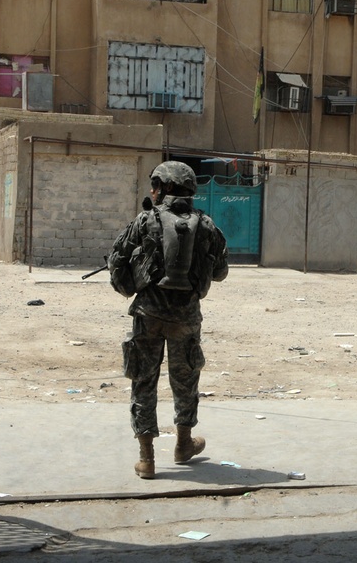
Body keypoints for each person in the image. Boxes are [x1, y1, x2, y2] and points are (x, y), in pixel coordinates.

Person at [107, 161, 229, 479]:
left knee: (143, 382)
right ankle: (184, 445)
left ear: (165, 188)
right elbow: (220, 272)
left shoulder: (145, 220)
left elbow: (118, 260)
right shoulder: (206, 225)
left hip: (148, 315)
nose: (152, 190)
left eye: (155, 185)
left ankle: (146, 459)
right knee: (185, 382)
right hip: (186, 318)